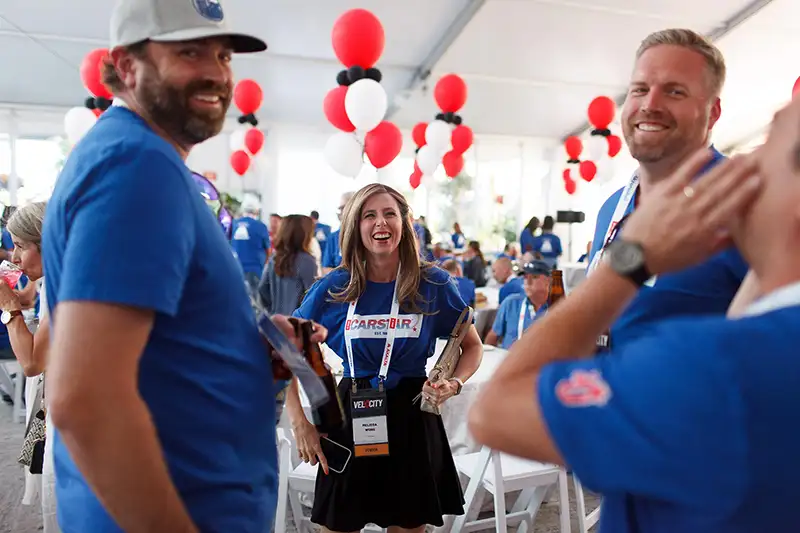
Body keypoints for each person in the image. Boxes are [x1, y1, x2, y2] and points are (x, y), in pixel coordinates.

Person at [469, 99, 799, 530]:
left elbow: (493, 412)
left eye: (768, 142)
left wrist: (628, 261)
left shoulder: (708, 368)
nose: (739, 164)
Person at [40, 2, 293, 531]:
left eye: (223, 55)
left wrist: (241, 346)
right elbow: (86, 401)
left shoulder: (134, 157)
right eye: (189, 52)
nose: (217, 72)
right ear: (126, 67)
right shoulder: (136, 166)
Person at [286, 183, 483, 532]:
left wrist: (454, 382)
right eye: (370, 215)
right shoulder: (335, 287)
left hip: (412, 415)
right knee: (337, 525)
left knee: (408, 526)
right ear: (356, 226)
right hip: (349, 414)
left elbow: (472, 345)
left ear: (404, 223)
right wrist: (300, 422)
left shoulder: (433, 283)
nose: (381, 222)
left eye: (390, 213)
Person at [585, 29, 748, 352]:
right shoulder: (612, 207)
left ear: (713, 112)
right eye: (640, 89)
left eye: (674, 92)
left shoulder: (747, 202)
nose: (650, 105)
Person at [0, 202, 59, 532]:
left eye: (21, 246)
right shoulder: (55, 279)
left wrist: (8, 308)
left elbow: (32, 362)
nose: (15, 257)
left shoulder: (61, 284)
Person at [258, 214, 318, 316]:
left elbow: (262, 288)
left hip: (276, 322)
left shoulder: (274, 257)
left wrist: (272, 310)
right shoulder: (307, 261)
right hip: (297, 323)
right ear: (304, 235)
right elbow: (312, 298)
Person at [485, 261, 551, 350]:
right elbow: (493, 336)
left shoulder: (557, 308)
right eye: (525, 277)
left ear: (548, 281)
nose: (528, 282)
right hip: (510, 359)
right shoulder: (511, 303)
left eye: (534, 277)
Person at [231, 198, 271, 301]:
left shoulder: (233, 224)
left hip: (235, 268)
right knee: (254, 302)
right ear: (257, 211)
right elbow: (268, 251)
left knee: (236, 298)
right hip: (254, 270)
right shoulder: (261, 226)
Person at [322, 191, 354, 273]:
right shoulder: (333, 237)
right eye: (340, 209)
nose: (342, 212)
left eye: (344, 208)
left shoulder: (366, 234)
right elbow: (325, 268)